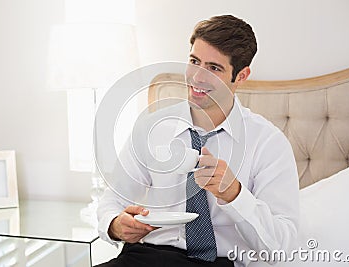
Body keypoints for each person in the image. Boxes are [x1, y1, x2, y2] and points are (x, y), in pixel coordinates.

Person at [96, 15, 299, 267]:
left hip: (222, 262)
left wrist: (235, 195)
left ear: (242, 75)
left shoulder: (268, 143)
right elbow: (112, 200)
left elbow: (282, 246)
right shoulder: (151, 126)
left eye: (214, 68)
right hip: (144, 257)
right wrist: (114, 225)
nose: (198, 78)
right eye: (194, 62)